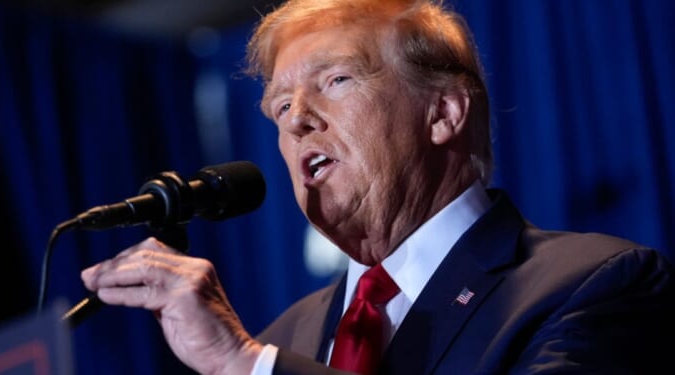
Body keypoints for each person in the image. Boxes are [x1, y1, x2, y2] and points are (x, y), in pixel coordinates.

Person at [80, 0, 675, 374]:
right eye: (280, 105)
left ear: (443, 112)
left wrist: (248, 366)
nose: (295, 119)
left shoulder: (592, 284)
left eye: (335, 80)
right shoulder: (282, 337)